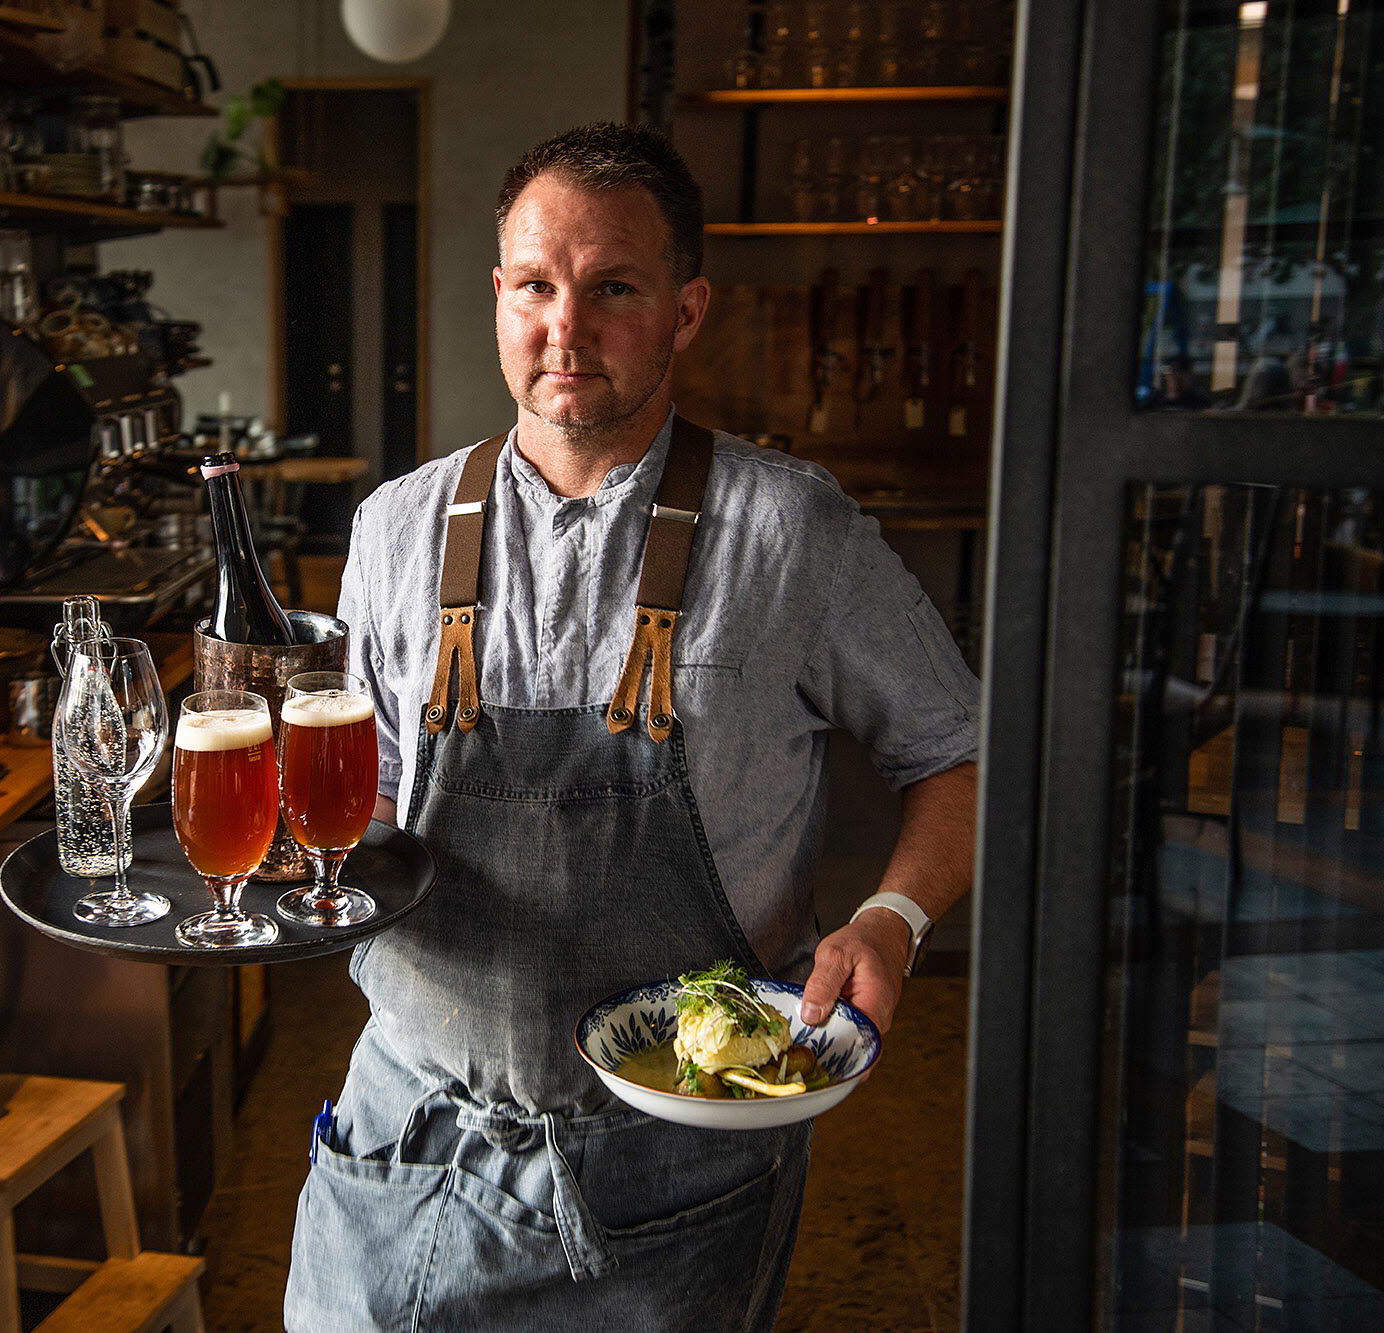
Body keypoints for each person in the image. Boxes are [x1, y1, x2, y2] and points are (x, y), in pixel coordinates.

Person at [283, 122, 980, 1331]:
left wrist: (891, 917)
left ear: (685, 309)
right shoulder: (392, 529)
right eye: (536, 288)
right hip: (409, 1131)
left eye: (613, 288)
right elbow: (375, 797)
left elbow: (959, 750)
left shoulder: (790, 531)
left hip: (673, 1169)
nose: (566, 329)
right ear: (497, 297)